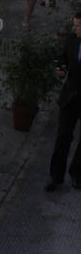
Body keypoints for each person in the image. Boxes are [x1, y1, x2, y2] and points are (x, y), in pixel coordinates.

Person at [45, 11, 81, 191]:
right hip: (70, 96)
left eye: (78, 26)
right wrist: (60, 68)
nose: (75, 29)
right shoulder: (72, 39)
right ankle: (56, 176)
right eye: (74, 25)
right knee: (63, 136)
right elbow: (63, 59)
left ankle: (77, 173)